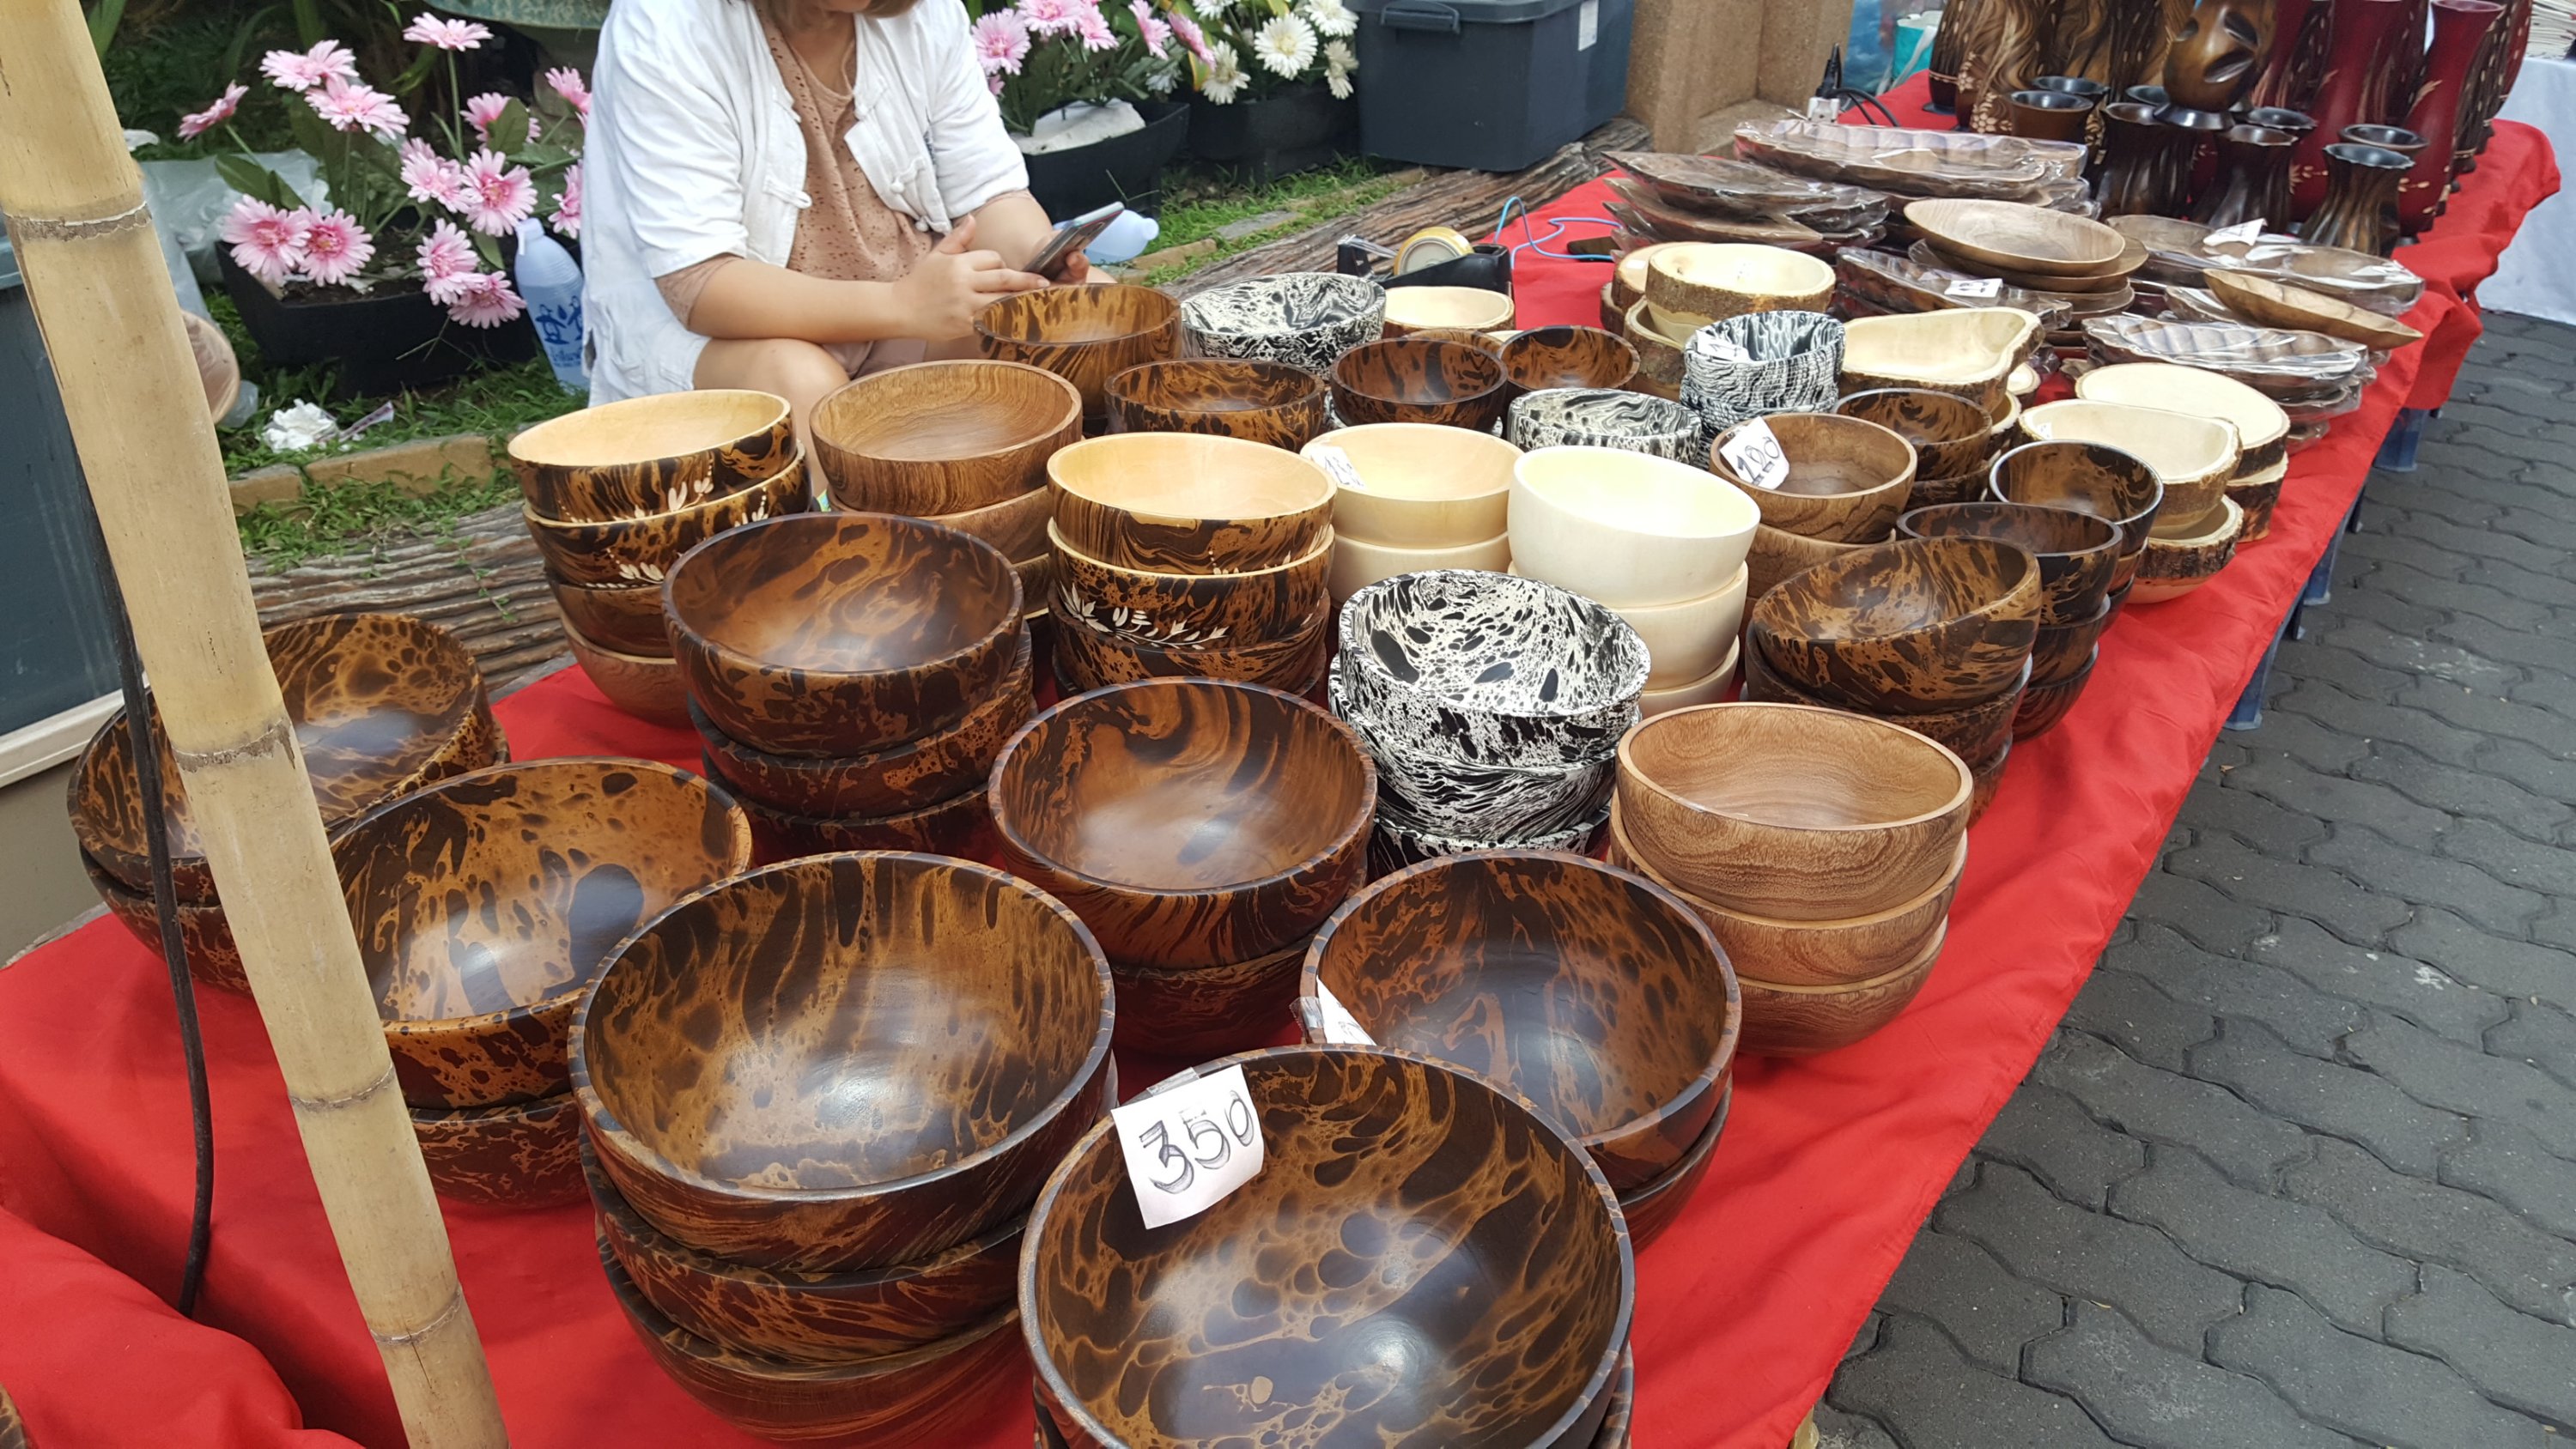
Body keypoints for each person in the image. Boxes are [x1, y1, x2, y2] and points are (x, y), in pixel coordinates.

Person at [582, 0, 1084, 432]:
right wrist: (901, 305)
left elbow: (989, 191)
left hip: (908, 303)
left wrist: (1037, 262)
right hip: (735, 334)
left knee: (1078, 318)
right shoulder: (667, 23)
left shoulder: (926, 12)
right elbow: (700, 284)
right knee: (805, 386)